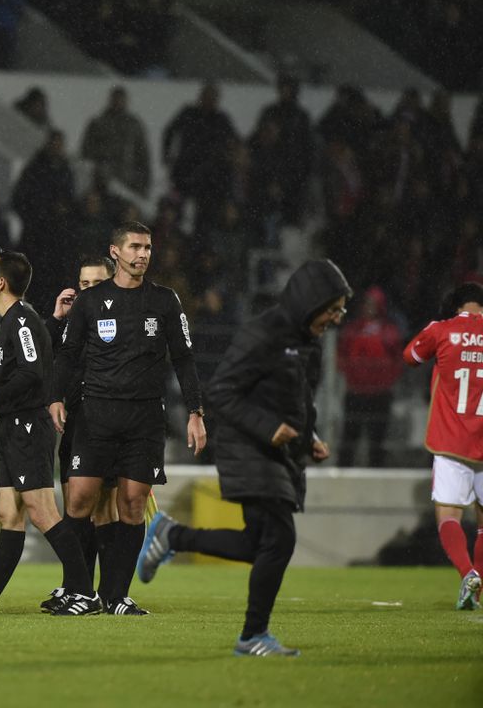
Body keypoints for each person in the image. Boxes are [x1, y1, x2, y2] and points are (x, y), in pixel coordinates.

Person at [137, 260, 351, 655]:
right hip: (248, 446)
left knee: (259, 544)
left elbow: (298, 400)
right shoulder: (263, 333)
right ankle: (252, 636)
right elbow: (221, 392)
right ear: (310, 301)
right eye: (332, 308)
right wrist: (268, 428)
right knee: (280, 537)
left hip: (276, 450)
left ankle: (172, 534)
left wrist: (310, 436)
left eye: (340, 309)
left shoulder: (306, 341)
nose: (336, 317)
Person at [49, 222, 207, 615]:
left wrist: (195, 411)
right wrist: (54, 397)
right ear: (115, 251)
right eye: (135, 247)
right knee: (80, 499)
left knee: (132, 504)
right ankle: (80, 591)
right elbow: (68, 355)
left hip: (144, 419)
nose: (143, 254)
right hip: (95, 415)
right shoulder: (90, 302)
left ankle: (117, 595)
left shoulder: (166, 301)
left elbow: (184, 359)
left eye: (148, 248)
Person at [0, 251, 104, 616]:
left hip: (27, 427)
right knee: (8, 513)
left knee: (41, 512)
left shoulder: (21, 321)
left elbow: (32, 373)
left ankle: (85, 593)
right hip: (12, 426)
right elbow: (22, 374)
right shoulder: (13, 320)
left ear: (2, 282)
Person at [401, 281, 483, 610]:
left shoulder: (442, 329)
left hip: (452, 440)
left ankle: (467, 573)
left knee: (448, 515)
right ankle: (477, 582)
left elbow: (410, 357)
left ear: (455, 305)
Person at [45, 256, 121, 595]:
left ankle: (104, 589)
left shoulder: (120, 323)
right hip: (73, 423)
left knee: (102, 509)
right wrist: (57, 320)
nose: (87, 290)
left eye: (96, 284)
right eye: (83, 284)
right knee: (73, 507)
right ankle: (76, 586)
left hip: (106, 424)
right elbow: (47, 363)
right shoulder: (70, 325)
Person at [335, 286, 404, 467]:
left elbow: (398, 359)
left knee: (377, 437)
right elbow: (341, 355)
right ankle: (343, 471)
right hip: (356, 391)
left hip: (380, 394)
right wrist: (351, 374)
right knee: (350, 435)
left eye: (373, 304)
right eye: (367, 303)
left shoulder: (389, 331)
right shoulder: (353, 329)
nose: (369, 307)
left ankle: (377, 469)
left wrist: (386, 379)